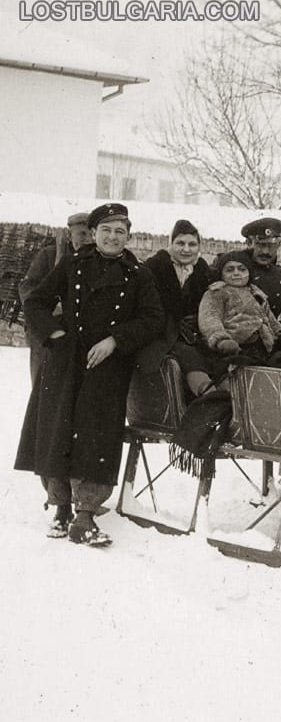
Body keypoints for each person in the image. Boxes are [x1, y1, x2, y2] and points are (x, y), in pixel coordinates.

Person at [15, 203, 164, 546]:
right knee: (58, 432)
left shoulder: (139, 274)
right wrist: (54, 335)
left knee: (97, 437)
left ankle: (85, 514)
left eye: (120, 231)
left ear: (129, 236)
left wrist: (116, 341)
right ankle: (61, 507)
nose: (113, 237)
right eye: (106, 230)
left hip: (107, 368)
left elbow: (153, 319)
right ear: (94, 234)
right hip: (66, 363)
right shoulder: (72, 263)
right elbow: (35, 301)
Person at [138, 219, 214, 396]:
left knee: (214, 356)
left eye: (192, 244)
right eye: (180, 243)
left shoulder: (201, 269)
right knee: (188, 356)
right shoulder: (153, 267)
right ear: (170, 244)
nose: (186, 249)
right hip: (160, 332)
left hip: (191, 332)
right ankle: (209, 397)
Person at [18, 212, 93, 380]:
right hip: (46, 331)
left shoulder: (93, 261)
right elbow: (27, 287)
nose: (87, 239)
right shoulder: (49, 255)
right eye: (81, 233)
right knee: (43, 381)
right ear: (68, 234)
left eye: (90, 234)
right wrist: (47, 312)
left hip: (74, 333)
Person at [196, 250, 281, 382]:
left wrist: (280, 332)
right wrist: (221, 340)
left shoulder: (257, 293)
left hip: (264, 346)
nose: (236, 273)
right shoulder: (217, 292)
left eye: (242, 269)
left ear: (249, 273)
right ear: (221, 273)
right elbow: (210, 318)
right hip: (237, 346)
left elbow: (269, 317)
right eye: (230, 270)